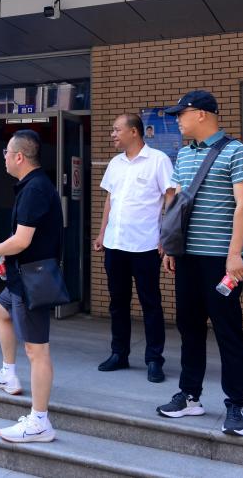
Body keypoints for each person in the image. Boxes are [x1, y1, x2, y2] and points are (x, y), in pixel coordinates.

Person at [157, 90, 243, 437]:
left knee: (228, 331)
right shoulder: (184, 154)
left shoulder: (237, 152)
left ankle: (236, 405)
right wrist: (171, 247)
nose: (177, 120)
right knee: (189, 328)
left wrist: (234, 255)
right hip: (187, 257)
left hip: (220, 260)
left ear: (201, 114)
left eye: (181, 114)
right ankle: (189, 396)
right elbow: (174, 202)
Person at [0, 130, 62, 443]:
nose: (3, 157)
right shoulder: (33, 185)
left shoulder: (34, 189)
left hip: (32, 280)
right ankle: (8, 372)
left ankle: (40, 421)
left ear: (18, 156)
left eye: (6, 152)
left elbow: (21, 240)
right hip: (23, 276)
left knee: (36, 350)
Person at [92, 113, 174, 383]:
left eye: (117, 130)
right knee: (118, 303)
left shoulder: (158, 160)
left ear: (134, 132)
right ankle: (119, 353)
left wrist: (166, 237)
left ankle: (154, 359)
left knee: (151, 304)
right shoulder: (115, 163)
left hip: (146, 246)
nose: (112, 135)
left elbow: (170, 199)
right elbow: (110, 200)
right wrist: (102, 233)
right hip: (115, 244)